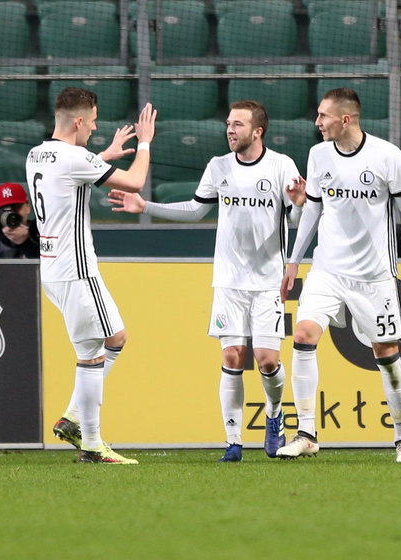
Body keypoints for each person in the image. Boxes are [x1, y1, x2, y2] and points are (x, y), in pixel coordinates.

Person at [109, 100, 306, 462]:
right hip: (228, 280)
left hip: (267, 282)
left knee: (265, 361)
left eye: (238, 125)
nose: (230, 130)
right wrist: (146, 206)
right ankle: (233, 442)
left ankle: (275, 416)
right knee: (233, 356)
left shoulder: (282, 166)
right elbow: (197, 209)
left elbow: (295, 218)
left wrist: (297, 203)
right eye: (228, 124)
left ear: (257, 131)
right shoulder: (218, 166)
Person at [277, 88, 401, 463]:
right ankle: (306, 432)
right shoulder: (318, 154)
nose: (316, 122)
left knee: (386, 353)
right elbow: (313, 209)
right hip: (327, 268)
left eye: (323, 116)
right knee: (304, 334)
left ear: (346, 119)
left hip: (374, 276)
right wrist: (294, 260)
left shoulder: (388, 156)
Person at [25, 87, 157, 464]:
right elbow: (134, 183)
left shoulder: (37, 154)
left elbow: (67, 175)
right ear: (79, 121)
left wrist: (103, 157)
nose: (95, 129)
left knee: (116, 337)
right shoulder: (75, 157)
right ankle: (93, 445)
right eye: (94, 122)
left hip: (52, 268)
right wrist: (144, 143)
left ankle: (73, 417)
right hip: (77, 270)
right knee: (91, 355)